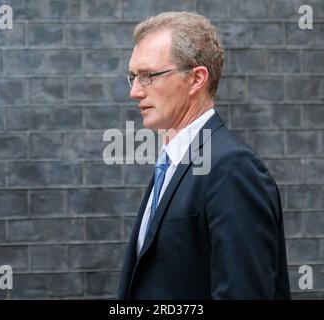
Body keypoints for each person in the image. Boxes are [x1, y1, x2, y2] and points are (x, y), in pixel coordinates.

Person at [118, 11, 291, 299]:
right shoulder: (172, 163)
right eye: (133, 77)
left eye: (148, 76)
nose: (135, 92)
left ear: (196, 79)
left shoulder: (232, 168)